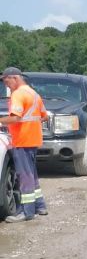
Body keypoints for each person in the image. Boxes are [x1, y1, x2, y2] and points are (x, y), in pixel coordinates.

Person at [0, 67, 48, 222]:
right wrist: (30, 125)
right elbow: (44, 116)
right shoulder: (34, 94)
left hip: (22, 140)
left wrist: (1, 121)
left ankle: (27, 212)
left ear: (14, 78)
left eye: (6, 81)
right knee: (31, 174)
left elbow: (15, 118)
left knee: (25, 176)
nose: (6, 85)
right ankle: (40, 206)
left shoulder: (18, 94)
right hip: (33, 140)